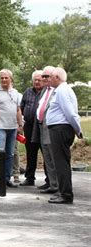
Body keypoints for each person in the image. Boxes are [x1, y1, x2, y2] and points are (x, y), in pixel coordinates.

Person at [46, 67, 83, 204]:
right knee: (61, 162)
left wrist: (78, 129)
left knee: (61, 163)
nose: (49, 79)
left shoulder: (62, 90)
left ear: (57, 77)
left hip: (60, 129)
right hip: (59, 129)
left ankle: (66, 194)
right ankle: (63, 191)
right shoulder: (62, 90)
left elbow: (70, 112)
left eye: (51, 77)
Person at [0, 69, 23, 188]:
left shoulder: (16, 93)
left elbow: (18, 110)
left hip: (12, 128)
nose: (3, 80)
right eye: (1, 78)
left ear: (11, 79)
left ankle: (7, 179)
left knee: (10, 155)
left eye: (6, 78)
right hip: (0, 128)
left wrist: (20, 125)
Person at [33, 66, 58, 194]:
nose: (44, 79)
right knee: (47, 158)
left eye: (47, 76)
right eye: (43, 76)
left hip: (53, 128)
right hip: (42, 127)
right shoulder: (44, 90)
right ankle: (52, 184)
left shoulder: (58, 90)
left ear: (54, 76)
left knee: (54, 158)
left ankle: (59, 186)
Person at [19, 70, 43, 186]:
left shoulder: (46, 92)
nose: (37, 82)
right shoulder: (27, 92)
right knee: (30, 153)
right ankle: (29, 178)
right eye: (35, 80)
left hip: (42, 127)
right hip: (29, 126)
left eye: (39, 80)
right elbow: (21, 108)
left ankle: (49, 180)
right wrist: (20, 124)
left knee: (46, 153)